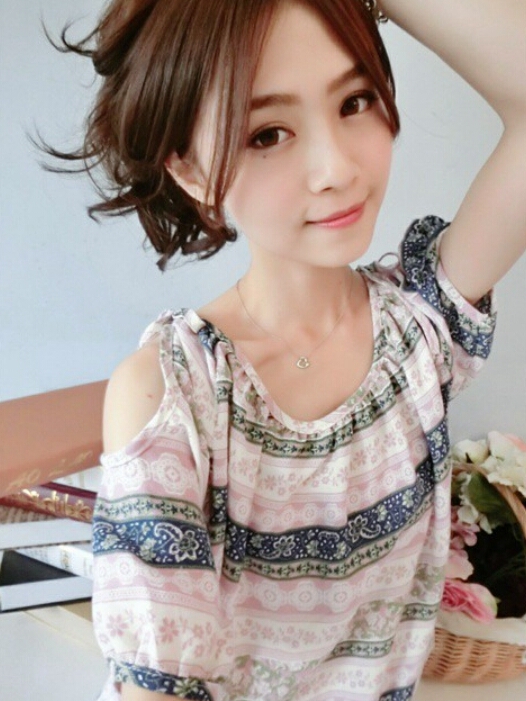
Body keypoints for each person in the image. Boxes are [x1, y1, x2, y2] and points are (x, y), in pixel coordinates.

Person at [47, 1, 526, 699]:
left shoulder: (419, 332)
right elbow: (156, 685)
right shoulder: (175, 394)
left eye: (354, 100)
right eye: (267, 134)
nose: (335, 168)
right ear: (189, 170)